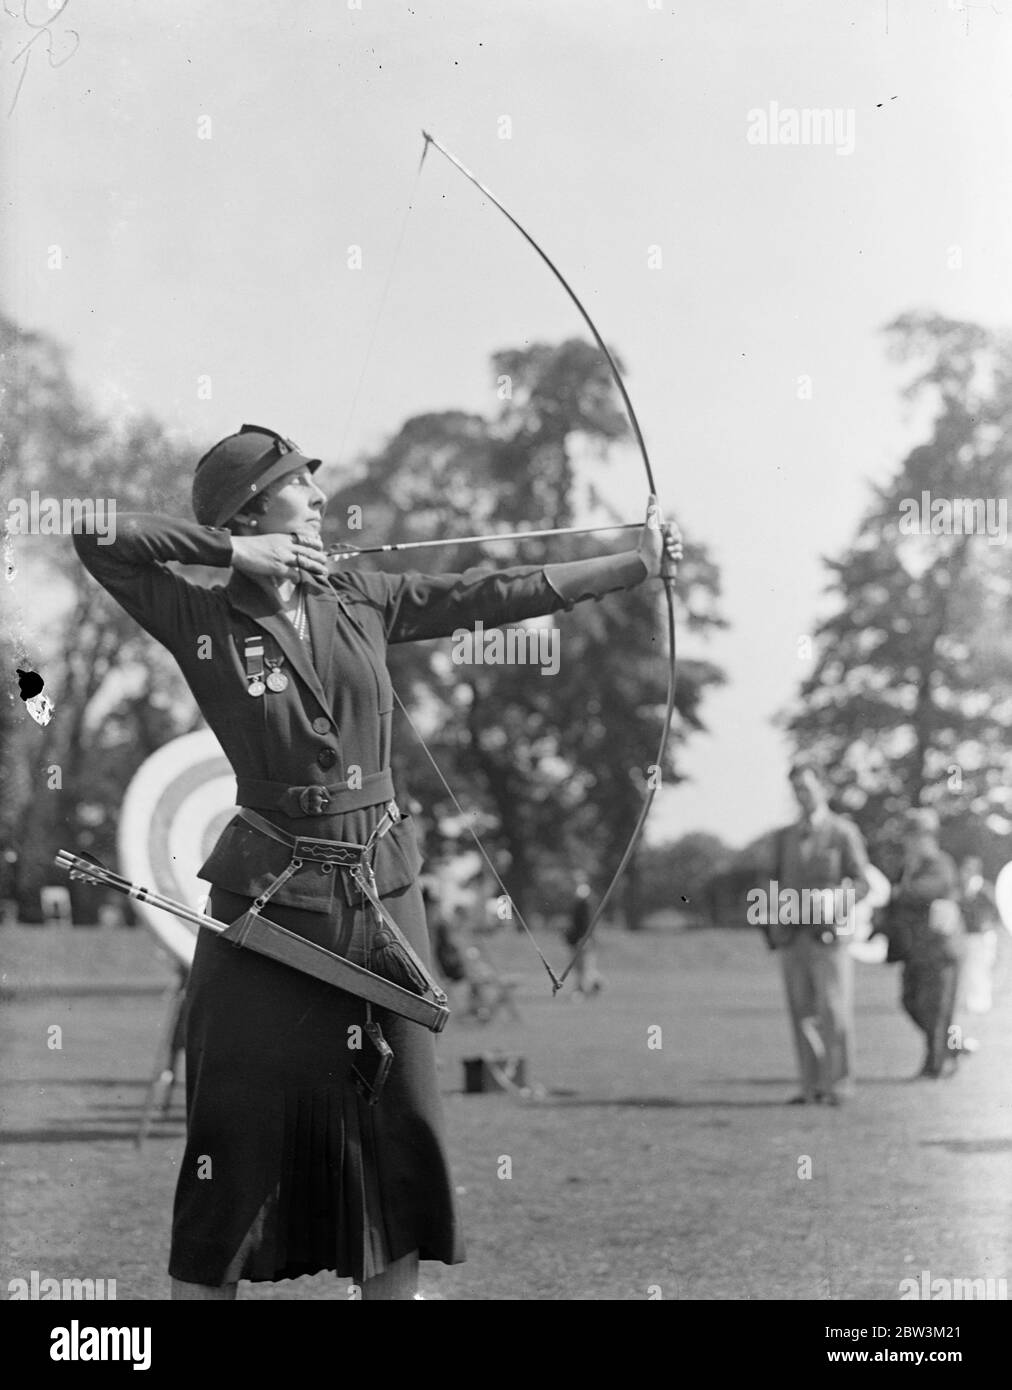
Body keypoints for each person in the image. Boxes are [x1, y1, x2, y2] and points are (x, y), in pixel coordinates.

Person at [72, 422, 681, 1300]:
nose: (320, 500)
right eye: (298, 488)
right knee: (230, 1134)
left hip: (381, 888)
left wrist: (634, 563)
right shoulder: (200, 613)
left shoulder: (361, 592)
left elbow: (488, 593)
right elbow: (95, 533)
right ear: (255, 508)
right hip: (267, 897)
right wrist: (236, 554)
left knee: (400, 1130)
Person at [769, 760, 870, 1105]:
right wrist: (775, 925)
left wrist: (837, 899)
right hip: (794, 938)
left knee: (834, 1012)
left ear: (822, 788)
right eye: (796, 789)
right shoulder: (784, 837)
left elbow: (863, 882)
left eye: (807, 788)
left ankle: (838, 1085)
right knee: (801, 1014)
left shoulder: (843, 832)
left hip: (829, 939)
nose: (802, 795)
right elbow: (773, 883)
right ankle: (811, 1086)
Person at [889, 810, 964, 1079]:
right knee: (911, 1002)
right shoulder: (910, 867)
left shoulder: (939, 863)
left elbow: (931, 888)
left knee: (937, 1008)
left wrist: (900, 891)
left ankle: (935, 1066)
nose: (909, 842)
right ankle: (948, 1047)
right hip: (917, 951)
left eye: (913, 836)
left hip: (941, 950)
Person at [958, 855, 999, 1018]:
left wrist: (987, 922)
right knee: (969, 969)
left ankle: (981, 1001)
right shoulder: (964, 888)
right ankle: (970, 1000)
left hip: (982, 935)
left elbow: (996, 907)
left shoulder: (983, 888)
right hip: (968, 934)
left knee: (980, 968)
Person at [565, 880, 604, 997]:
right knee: (582, 968)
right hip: (579, 940)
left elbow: (586, 925)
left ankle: (585, 988)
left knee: (585, 968)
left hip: (583, 941)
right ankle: (587, 987)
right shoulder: (582, 906)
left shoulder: (585, 907)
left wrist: (585, 938)